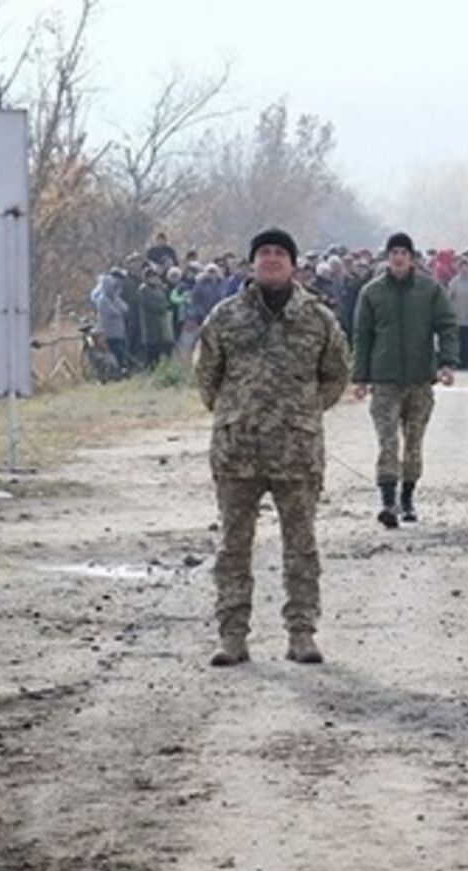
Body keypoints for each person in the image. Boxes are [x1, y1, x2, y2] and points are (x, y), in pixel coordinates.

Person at [194, 227, 351, 667]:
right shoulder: (225, 317)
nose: (271, 259)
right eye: (263, 253)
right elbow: (207, 376)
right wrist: (234, 412)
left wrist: (300, 412)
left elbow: (336, 375)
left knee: (301, 546)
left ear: (294, 264)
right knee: (232, 547)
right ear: (251, 263)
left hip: (296, 452)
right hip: (236, 451)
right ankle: (232, 636)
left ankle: (301, 633)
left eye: (280, 253)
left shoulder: (317, 319)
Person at [353, 232, 460, 528]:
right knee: (387, 442)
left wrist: (448, 362)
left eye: (403, 252)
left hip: (419, 380)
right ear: (387, 258)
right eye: (393, 253)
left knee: (413, 442)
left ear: (411, 258)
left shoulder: (429, 290)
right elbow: (362, 336)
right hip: (385, 380)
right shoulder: (372, 293)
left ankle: (408, 498)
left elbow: (447, 326)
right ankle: (388, 501)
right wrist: (360, 377)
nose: (398, 257)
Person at [93, 267, 129, 368]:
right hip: (108, 331)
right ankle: (117, 369)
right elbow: (111, 312)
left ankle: (122, 367)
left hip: (119, 330)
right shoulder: (103, 300)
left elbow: (124, 308)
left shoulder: (115, 298)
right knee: (115, 350)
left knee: (121, 350)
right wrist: (118, 312)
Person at [138, 267, 174, 365]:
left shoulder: (159, 289)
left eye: (155, 276)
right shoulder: (143, 289)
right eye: (151, 277)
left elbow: (166, 302)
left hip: (160, 323)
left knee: (159, 348)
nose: (154, 279)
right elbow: (149, 305)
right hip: (149, 322)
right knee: (151, 349)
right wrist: (162, 308)